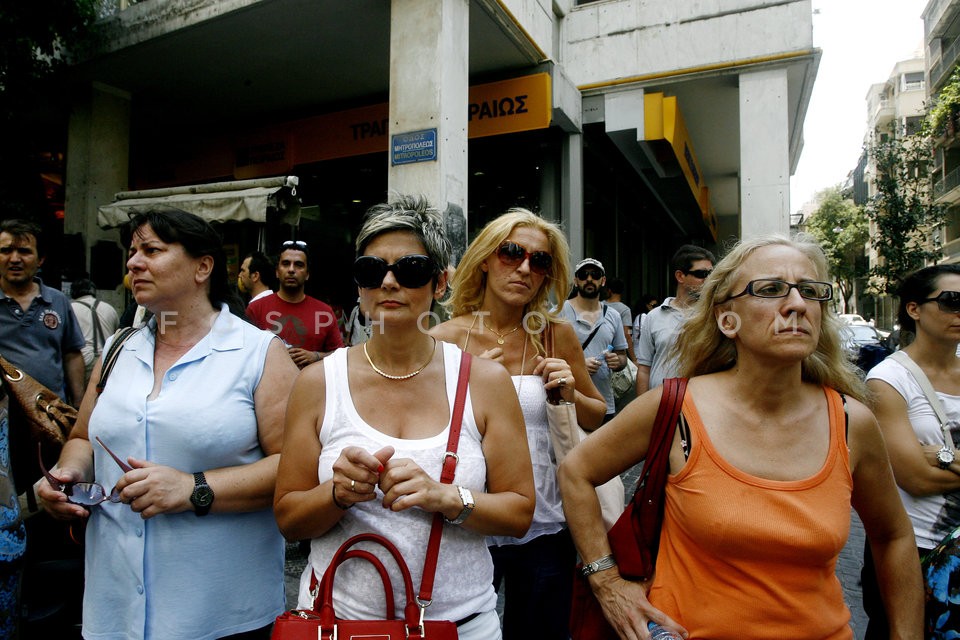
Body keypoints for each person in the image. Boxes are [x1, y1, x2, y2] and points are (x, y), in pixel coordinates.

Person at [559, 234, 923, 640]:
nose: (797, 304)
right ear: (726, 319)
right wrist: (605, 582)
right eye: (770, 290)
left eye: (810, 292)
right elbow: (576, 471)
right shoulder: (676, 407)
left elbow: (893, 536)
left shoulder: (852, 420)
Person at [274, 195, 535, 640]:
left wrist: (446, 498)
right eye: (372, 271)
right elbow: (288, 517)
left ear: (440, 283)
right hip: (336, 624)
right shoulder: (319, 382)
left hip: (460, 625)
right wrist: (335, 494)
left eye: (410, 269)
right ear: (358, 284)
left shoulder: (484, 382)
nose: (389, 283)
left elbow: (519, 511)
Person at [37, 208, 299, 639]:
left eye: (152, 251)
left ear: (203, 266)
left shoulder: (258, 353)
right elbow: (83, 436)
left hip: (220, 612)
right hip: (114, 607)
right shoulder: (120, 348)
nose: (133, 262)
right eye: (132, 251)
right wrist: (71, 473)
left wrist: (193, 487)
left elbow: (294, 466)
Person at [431, 208, 607, 640]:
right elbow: (418, 429)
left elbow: (596, 413)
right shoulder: (447, 338)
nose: (525, 268)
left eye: (539, 260)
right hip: (466, 516)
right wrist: (466, 385)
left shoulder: (556, 334)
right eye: (512, 253)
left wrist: (570, 391)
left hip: (543, 520)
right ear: (486, 260)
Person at [861, 264, 960, 639]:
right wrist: (927, 463)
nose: (959, 312)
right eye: (951, 301)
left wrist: (940, 455)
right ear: (914, 309)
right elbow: (914, 478)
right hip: (915, 547)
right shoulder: (889, 379)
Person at [0, 219, 85, 407]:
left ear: (40, 259)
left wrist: (79, 404)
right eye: (6, 251)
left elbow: (72, 353)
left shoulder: (58, 300)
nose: (14, 259)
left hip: (49, 413)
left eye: (24, 251)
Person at [246, 240, 344, 368]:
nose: (291, 270)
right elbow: (244, 354)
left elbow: (341, 355)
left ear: (307, 274)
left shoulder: (324, 312)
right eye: (286, 264)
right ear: (277, 271)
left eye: (298, 265)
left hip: (312, 386)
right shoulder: (256, 308)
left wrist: (315, 356)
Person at [635, 245, 715, 394]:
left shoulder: (714, 315)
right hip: (660, 406)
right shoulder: (654, 316)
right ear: (680, 276)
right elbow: (644, 369)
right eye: (702, 274)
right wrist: (642, 408)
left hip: (701, 406)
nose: (708, 279)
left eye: (712, 273)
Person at [559, 258, 628, 423]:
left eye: (595, 275)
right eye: (583, 275)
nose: (589, 279)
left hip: (604, 403)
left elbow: (623, 357)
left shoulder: (613, 316)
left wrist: (617, 361)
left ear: (603, 281)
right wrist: (579, 365)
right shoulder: (558, 313)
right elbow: (546, 354)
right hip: (567, 401)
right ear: (576, 281)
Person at [70, 277, 120, 384]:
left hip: (83, 362)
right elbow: (117, 335)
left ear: (73, 292)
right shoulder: (109, 308)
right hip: (107, 361)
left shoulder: (70, 308)